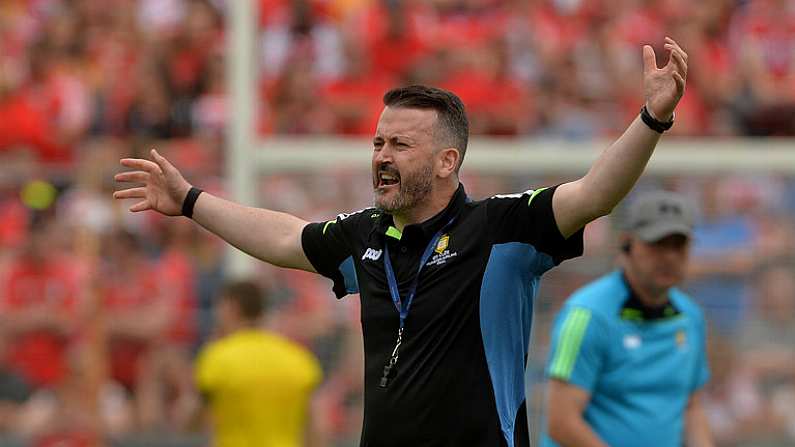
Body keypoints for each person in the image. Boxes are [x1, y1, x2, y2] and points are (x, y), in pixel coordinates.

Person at [115, 38, 689, 446]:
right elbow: (288, 236)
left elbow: (594, 195)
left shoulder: (502, 227)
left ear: (447, 162)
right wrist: (191, 201)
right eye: (377, 142)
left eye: (399, 145)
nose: (382, 157)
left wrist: (651, 118)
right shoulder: (365, 234)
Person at [542, 190, 713, 447]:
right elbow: (561, 422)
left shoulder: (690, 317)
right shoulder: (587, 316)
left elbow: (692, 405)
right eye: (657, 243)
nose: (669, 256)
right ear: (626, 244)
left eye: (678, 245)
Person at [194, 280, 322, 447]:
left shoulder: (217, 358)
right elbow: (315, 427)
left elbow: (194, 421)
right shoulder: (299, 358)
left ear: (232, 308)